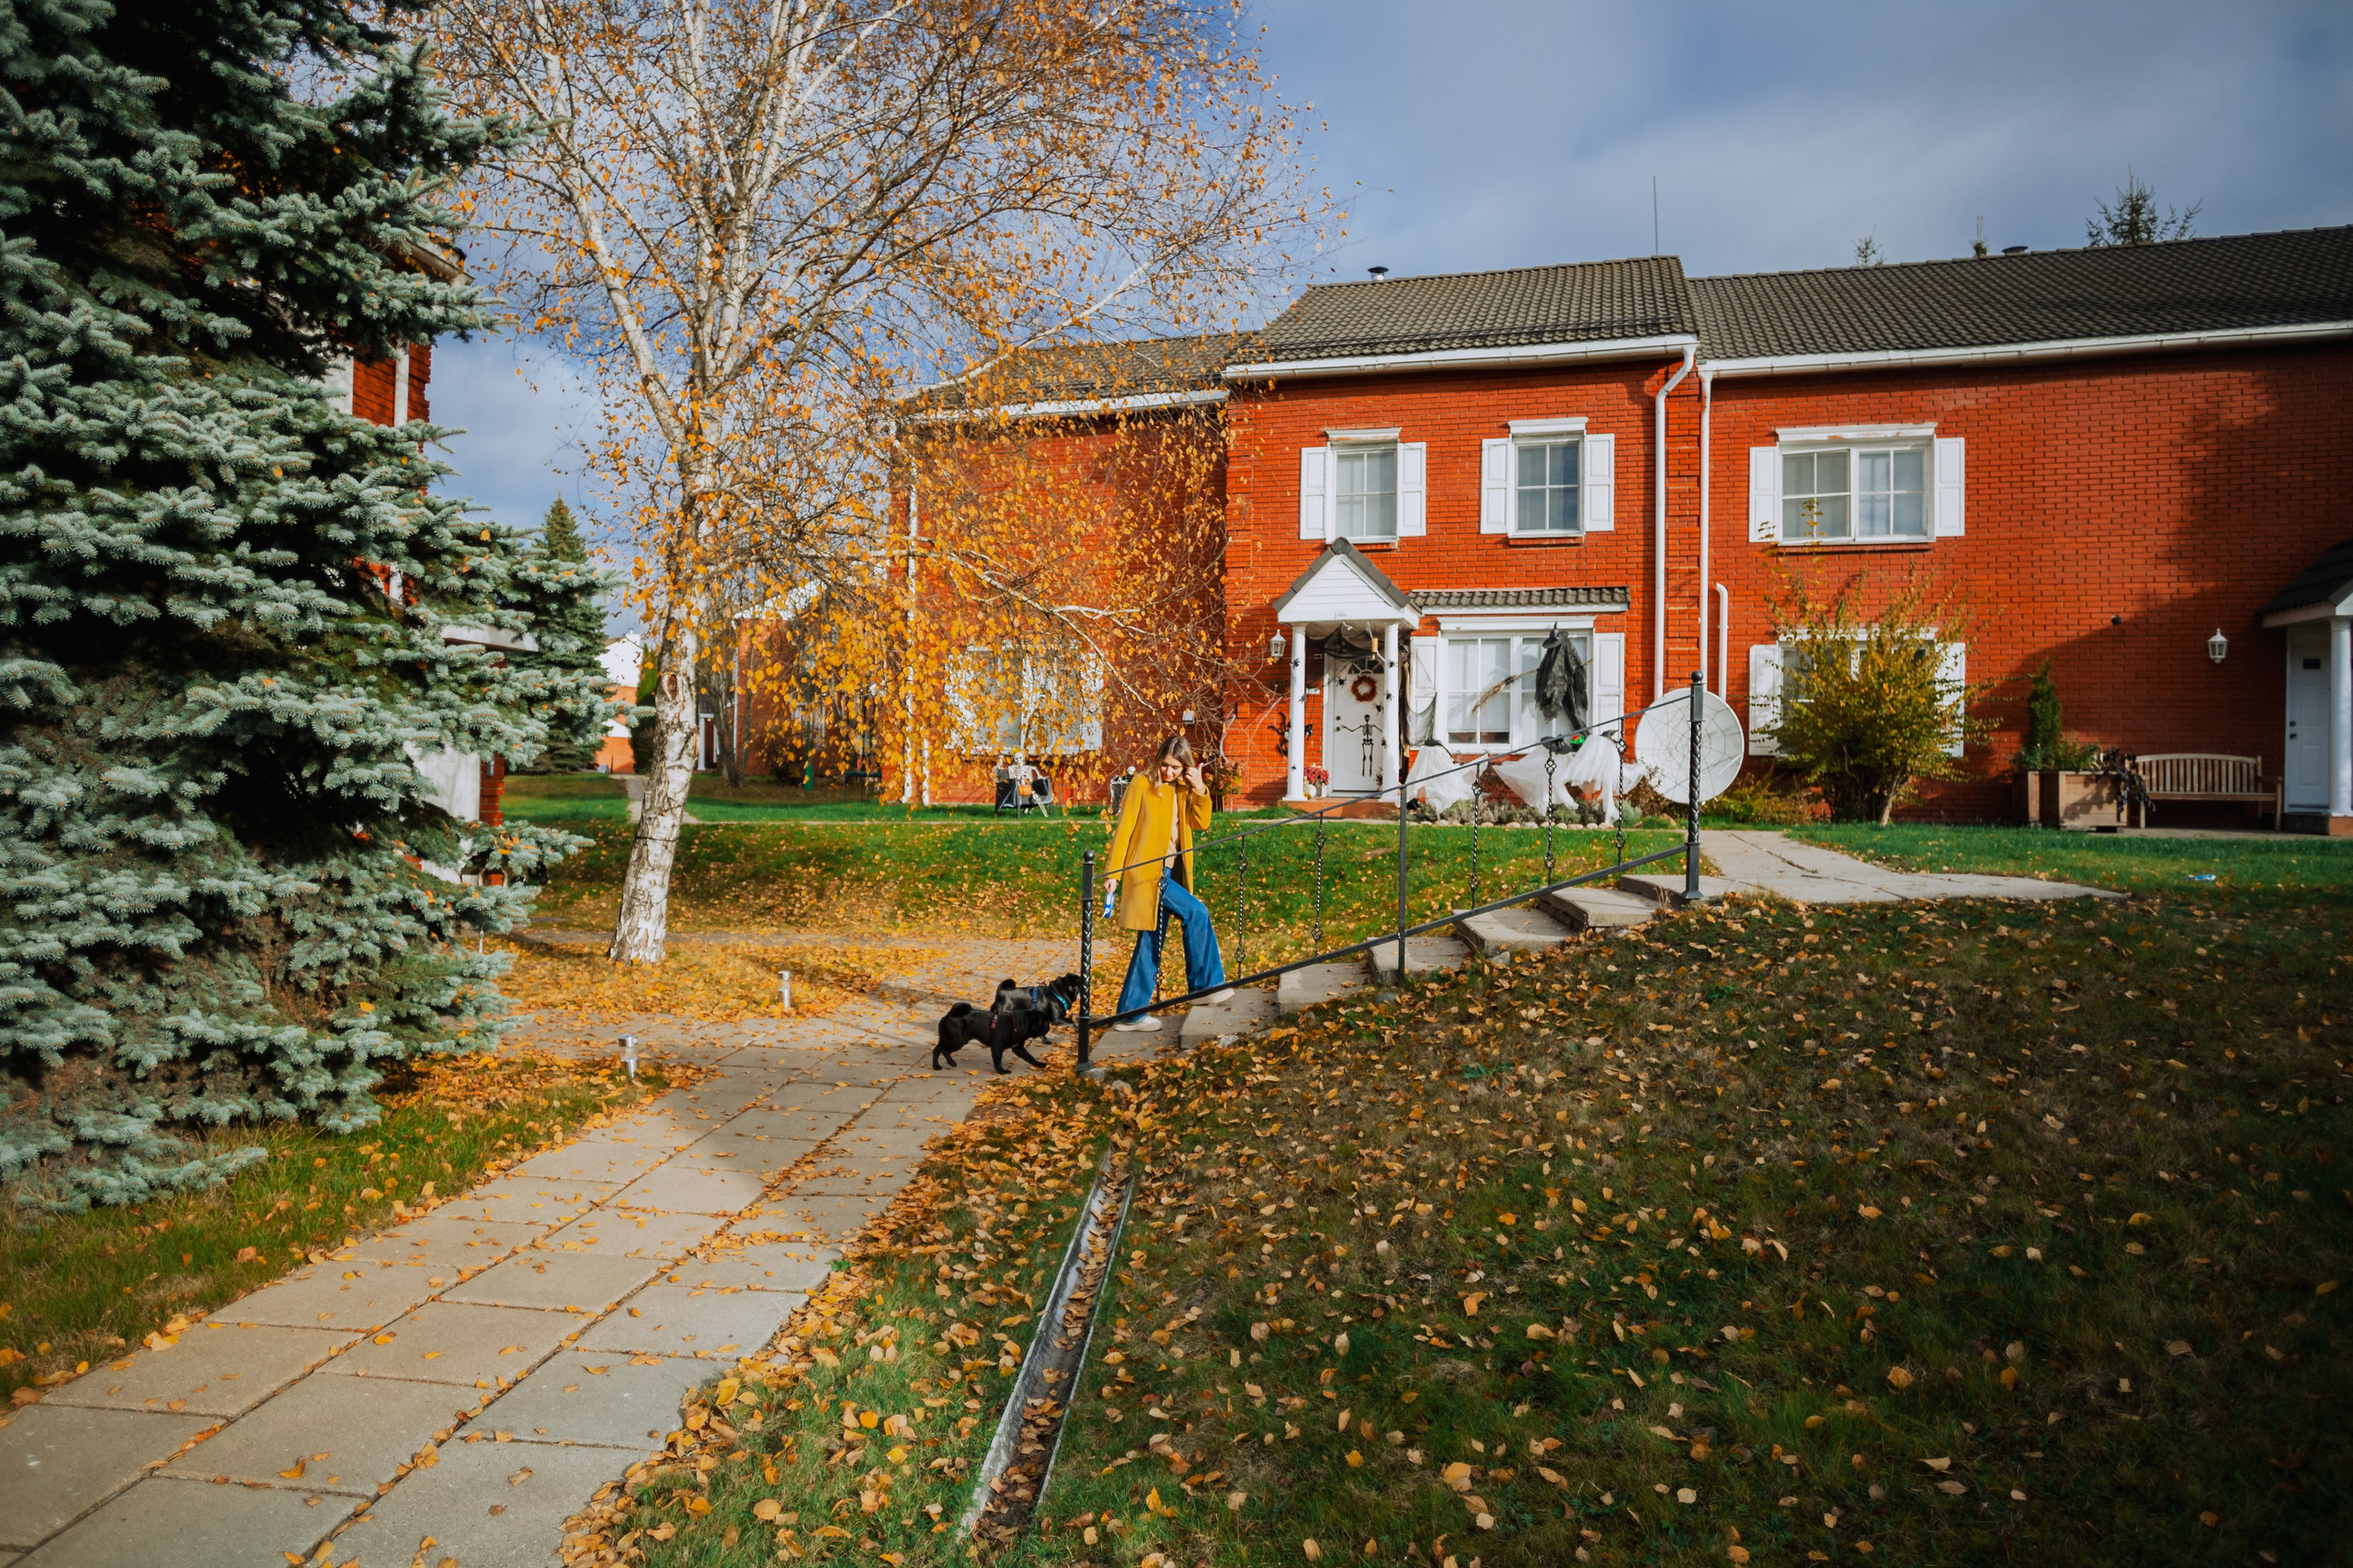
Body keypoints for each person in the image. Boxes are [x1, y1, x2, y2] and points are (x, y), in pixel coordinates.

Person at [1101, 735, 1232, 1030]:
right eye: (1166, 765)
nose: (1169, 772)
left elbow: (1202, 823)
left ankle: (1130, 1014)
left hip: (1170, 873)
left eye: (1176, 767)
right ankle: (1204, 986)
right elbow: (1124, 831)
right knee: (1196, 912)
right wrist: (1113, 874)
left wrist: (1199, 787)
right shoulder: (1141, 785)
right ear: (1159, 760)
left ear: (1185, 766)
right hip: (1148, 873)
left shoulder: (1185, 790)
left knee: (1150, 941)